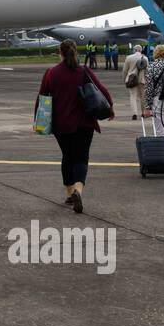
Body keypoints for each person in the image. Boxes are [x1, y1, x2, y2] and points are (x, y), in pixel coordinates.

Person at [35, 39, 114, 214]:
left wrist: (38, 120)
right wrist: (110, 107)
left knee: (67, 157)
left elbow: (42, 98)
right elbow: (101, 89)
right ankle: (79, 189)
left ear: (59, 52)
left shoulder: (51, 73)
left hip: (61, 124)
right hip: (84, 123)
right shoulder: (84, 70)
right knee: (81, 157)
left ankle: (70, 193)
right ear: (76, 52)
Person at [122, 44, 148, 120]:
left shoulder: (129, 58)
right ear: (141, 50)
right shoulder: (145, 58)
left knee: (133, 96)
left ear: (134, 50)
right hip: (142, 80)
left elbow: (125, 70)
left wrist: (125, 80)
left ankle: (134, 114)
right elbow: (147, 70)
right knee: (142, 97)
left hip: (132, 79)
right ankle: (143, 113)